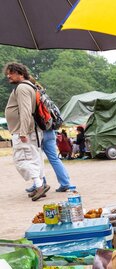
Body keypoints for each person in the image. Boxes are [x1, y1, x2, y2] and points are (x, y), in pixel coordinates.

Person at [4, 62, 49, 201]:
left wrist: (23, 132)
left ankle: (39, 185)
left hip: (23, 130)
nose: (8, 76)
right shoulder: (29, 86)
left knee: (22, 159)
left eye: (11, 73)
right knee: (34, 158)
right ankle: (39, 185)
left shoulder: (22, 87)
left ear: (20, 74)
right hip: (31, 130)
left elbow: (25, 111)